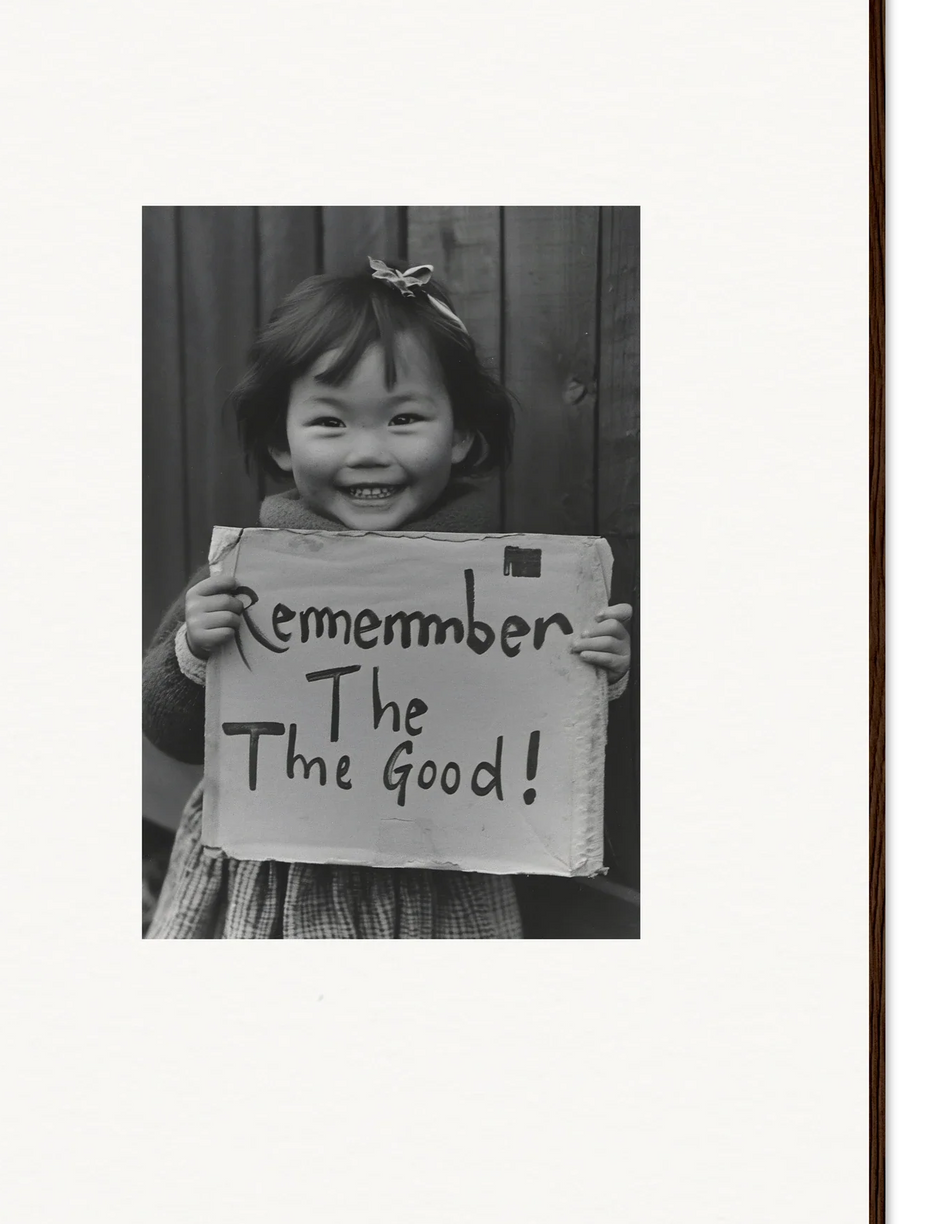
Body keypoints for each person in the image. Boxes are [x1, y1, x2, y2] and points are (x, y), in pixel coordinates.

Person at [143, 258, 632, 938]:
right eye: (331, 423)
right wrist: (193, 650)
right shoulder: (241, 579)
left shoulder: (506, 596)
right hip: (279, 874)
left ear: (459, 433)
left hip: (442, 876)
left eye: (403, 417)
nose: (369, 451)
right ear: (280, 444)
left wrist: (593, 670)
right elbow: (166, 729)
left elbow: (536, 726)